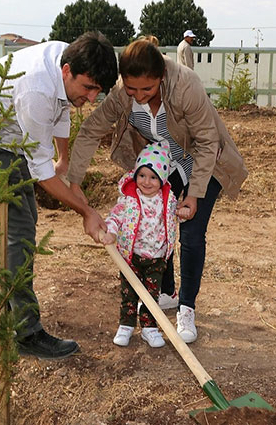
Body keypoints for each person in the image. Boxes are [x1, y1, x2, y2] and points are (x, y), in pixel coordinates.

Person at [0, 31, 118, 360]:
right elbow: (40, 172)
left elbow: (62, 110)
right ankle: (25, 331)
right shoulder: (37, 87)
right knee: (19, 229)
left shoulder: (63, 60)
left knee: (5, 227)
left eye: (98, 90)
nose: (92, 98)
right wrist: (86, 211)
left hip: (2, 141)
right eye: (88, 87)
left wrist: (63, 158)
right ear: (67, 71)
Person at [68, 39, 247, 344]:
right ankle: (167, 292)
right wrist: (73, 182)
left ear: (161, 76)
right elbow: (90, 131)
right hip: (165, 165)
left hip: (205, 162)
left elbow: (206, 141)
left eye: (146, 90)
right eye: (131, 90)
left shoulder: (186, 86)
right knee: (155, 223)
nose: (138, 96)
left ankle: (187, 308)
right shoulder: (121, 93)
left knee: (190, 231)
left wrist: (193, 194)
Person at [103, 142, 184, 348]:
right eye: (142, 175)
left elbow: (174, 217)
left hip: (156, 257)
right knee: (128, 293)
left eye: (153, 177)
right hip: (132, 255)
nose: (146, 182)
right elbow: (116, 216)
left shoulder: (168, 199)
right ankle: (126, 325)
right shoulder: (129, 199)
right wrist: (111, 231)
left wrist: (181, 214)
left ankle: (149, 328)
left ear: (163, 179)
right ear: (135, 175)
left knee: (151, 294)